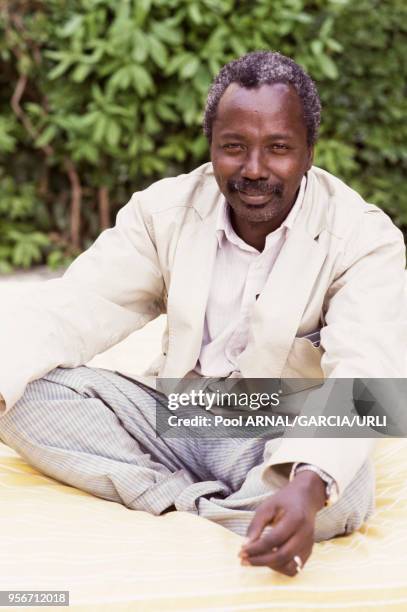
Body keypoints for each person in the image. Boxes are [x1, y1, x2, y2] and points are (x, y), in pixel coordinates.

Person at [0, 51, 405, 577]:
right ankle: (193, 506)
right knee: (22, 392)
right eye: (234, 147)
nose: (254, 169)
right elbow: (73, 307)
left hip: (278, 435)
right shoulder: (162, 212)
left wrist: (305, 486)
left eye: (278, 148)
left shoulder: (364, 238)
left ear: (309, 153)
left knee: (342, 494)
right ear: (212, 147)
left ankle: (245, 502)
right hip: (177, 416)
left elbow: (367, 373)